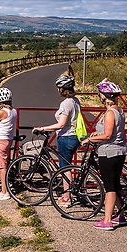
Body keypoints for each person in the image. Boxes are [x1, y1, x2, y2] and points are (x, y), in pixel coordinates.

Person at [81, 79, 127, 230]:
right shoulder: (119, 111)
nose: (99, 96)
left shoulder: (109, 113)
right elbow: (113, 131)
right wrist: (97, 133)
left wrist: (90, 139)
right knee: (115, 184)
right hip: (119, 151)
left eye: (100, 93)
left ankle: (107, 220)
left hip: (109, 153)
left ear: (105, 96)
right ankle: (121, 214)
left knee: (110, 188)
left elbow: (107, 136)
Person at [33, 74, 82, 204]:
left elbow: (61, 124)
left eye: (59, 88)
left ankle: (67, 197)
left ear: (62, 89)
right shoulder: (76, 101)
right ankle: (69, 193)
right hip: (74, 136)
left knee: (64, 168)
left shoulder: (66, 103)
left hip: (66, 137)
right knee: (67, 166)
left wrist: (42, 128)